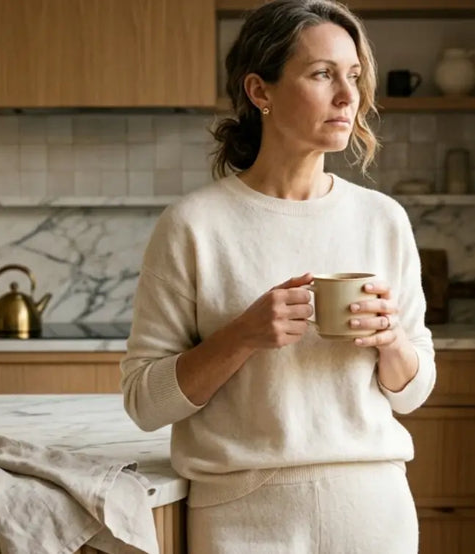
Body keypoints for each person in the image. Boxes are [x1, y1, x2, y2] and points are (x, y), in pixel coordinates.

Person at [120, 0, 436, 551]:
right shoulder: (194, 225)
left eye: (354, 76)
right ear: (259, 92)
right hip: (241, 514)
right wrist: (241, 336)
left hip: (372, 510)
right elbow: (146, 403)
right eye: (322, 74)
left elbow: (412, 393)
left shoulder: (383, 219)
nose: (347, 96)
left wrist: (393, 343)